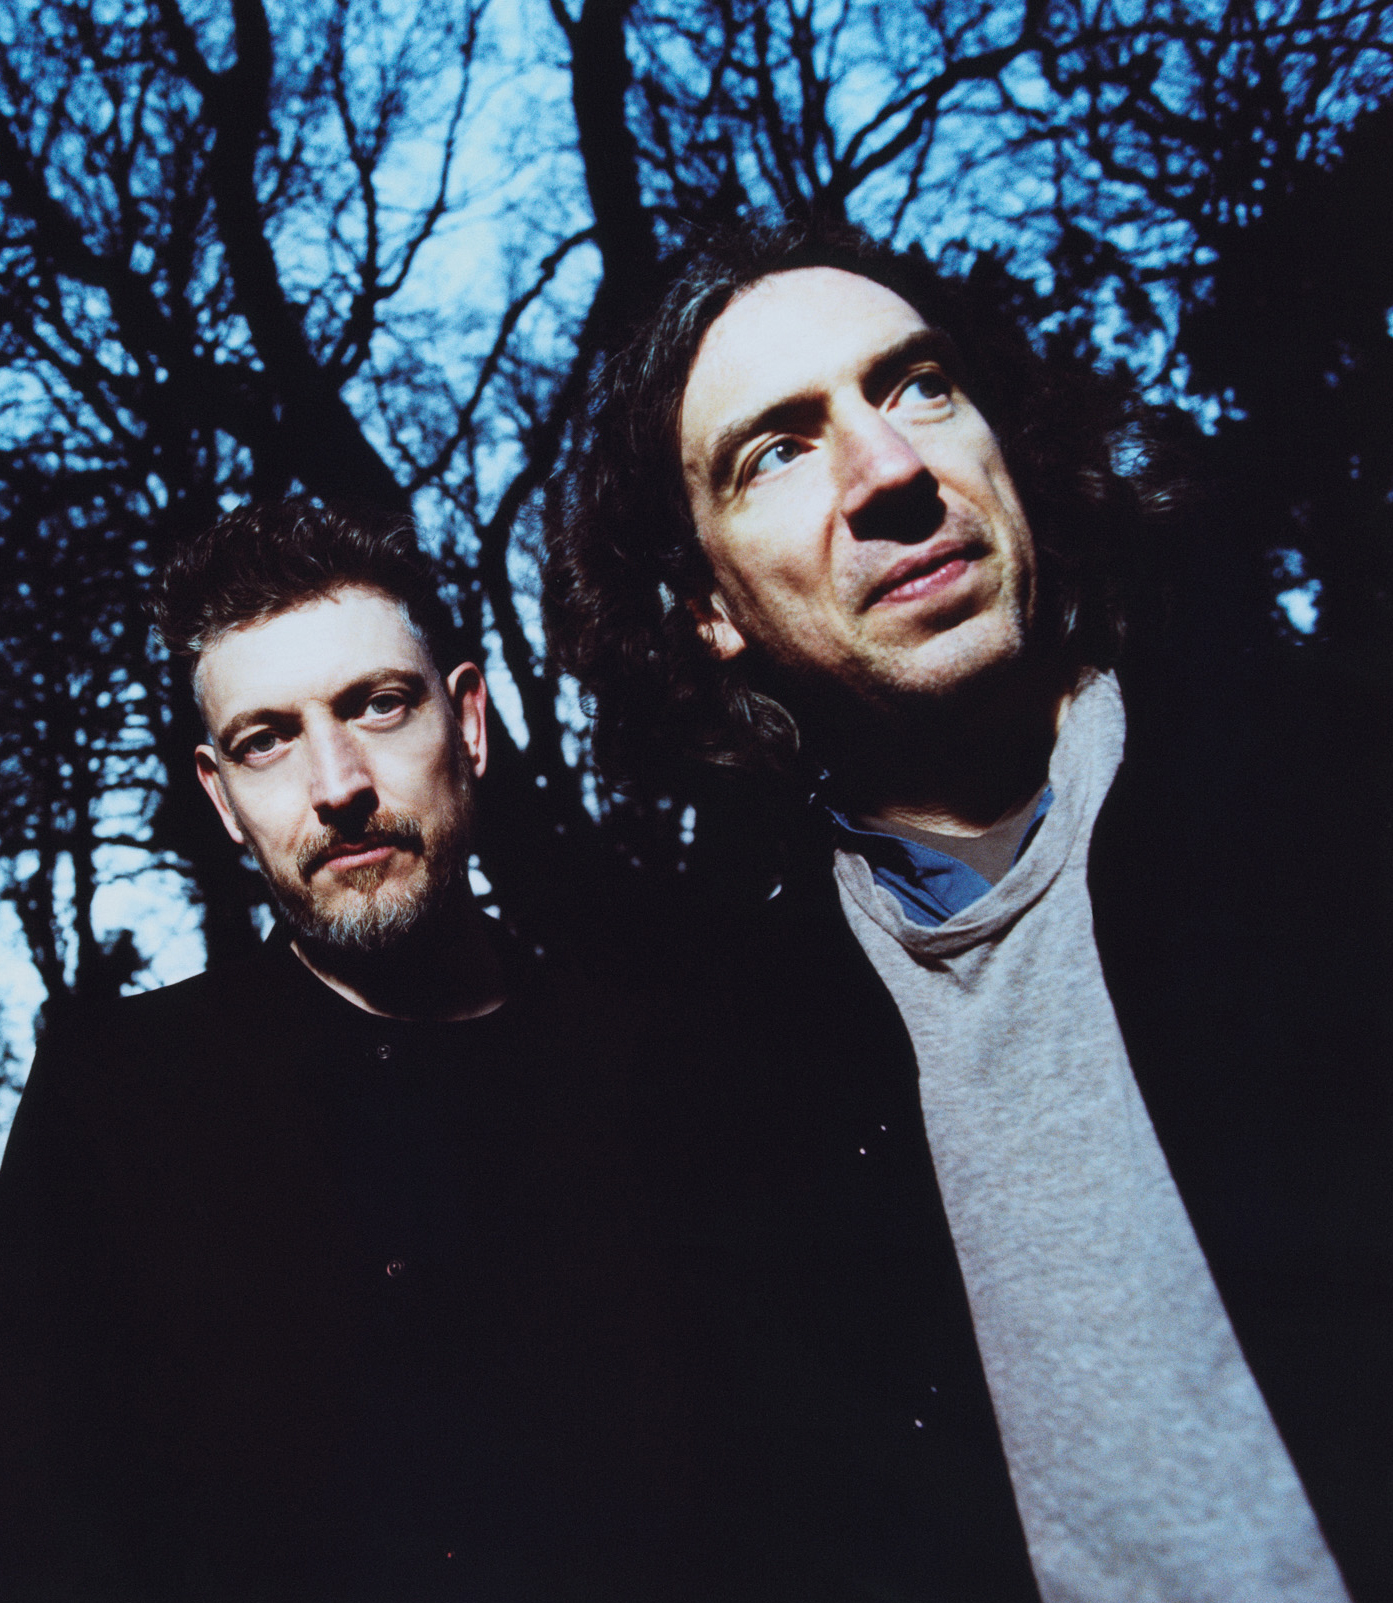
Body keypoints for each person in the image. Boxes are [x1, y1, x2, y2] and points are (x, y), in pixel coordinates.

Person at [545, 220, 1391, 1601]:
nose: (890, 469)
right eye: (779, 450)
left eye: (919, 384)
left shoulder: (1338, 787)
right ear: (708, 607)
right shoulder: (723, 1092)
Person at [0, 502, 708, 1600]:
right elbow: (40, 1537)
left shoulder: (661, 1071)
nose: (337, 785)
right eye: (266, 740)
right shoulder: (116, 1098)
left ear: (470, 723)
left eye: (378, 705)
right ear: (221, 797)